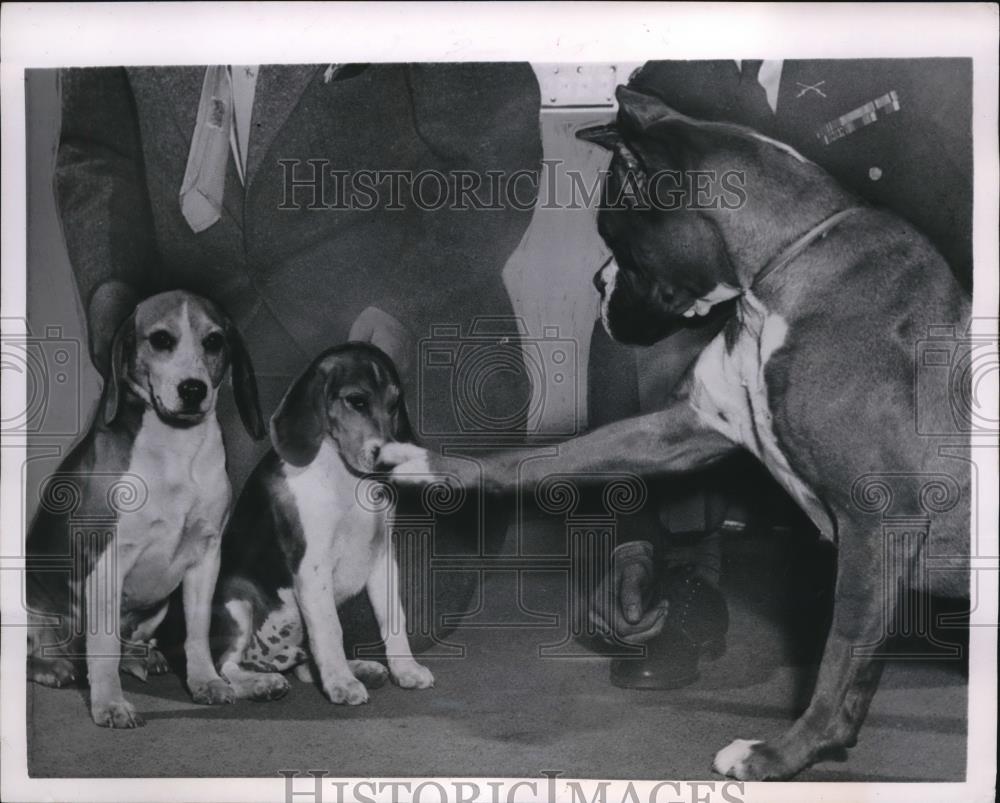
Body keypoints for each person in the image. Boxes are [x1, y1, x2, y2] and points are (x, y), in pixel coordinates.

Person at [54, 63, 542, 654]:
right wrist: (114, 303)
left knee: (372, 628)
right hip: (229, 359)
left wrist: (409, 308)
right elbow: (97, 150)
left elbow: (496, 157)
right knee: (172, 620)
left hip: (407, 334)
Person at [589, 58, 972, 688]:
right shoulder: (669, 76)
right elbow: (639, 245)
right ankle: (678, 579)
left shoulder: (892, 44)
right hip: (748, 311)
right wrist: (627, 540)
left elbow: (968, 197)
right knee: (626, 340)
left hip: (913, 310)